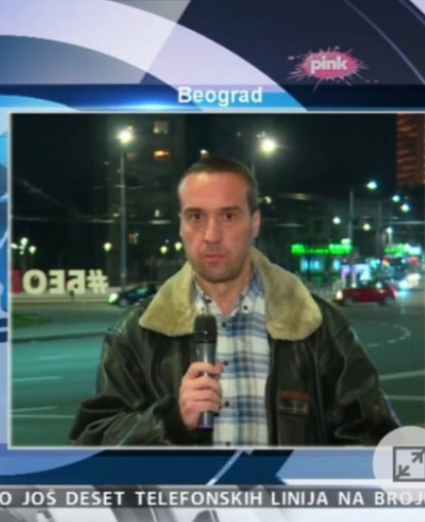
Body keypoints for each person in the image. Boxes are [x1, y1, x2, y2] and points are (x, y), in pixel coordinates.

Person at [70, 156, 399, 447]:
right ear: (181, 225)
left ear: (254, 223)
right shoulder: (137, 332)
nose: (211, 235)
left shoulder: (317, 325)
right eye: (196, 217)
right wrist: (170, 421)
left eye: (228, 216)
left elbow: (372, 441)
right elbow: (92, 445)